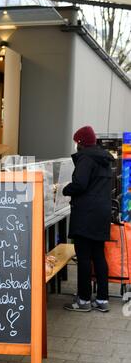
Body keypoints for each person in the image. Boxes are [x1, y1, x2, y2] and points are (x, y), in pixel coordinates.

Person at [63, 125, 114, 313]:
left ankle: (84, 299)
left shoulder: (85, 158)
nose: (75, 145)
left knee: (84, 258)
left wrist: (65, 189)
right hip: (101, 213)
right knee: (99, 255)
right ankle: (102, 299)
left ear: (81, 142)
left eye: (76, 142)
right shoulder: (104, 159)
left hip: (86, 214)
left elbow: (80, 184)